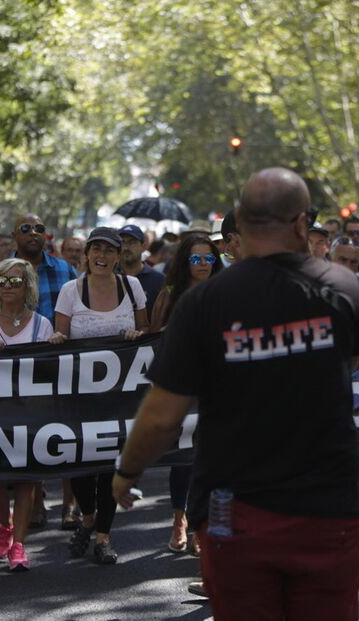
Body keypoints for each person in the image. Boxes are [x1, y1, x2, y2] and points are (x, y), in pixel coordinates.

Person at [114, 167, 359, 620]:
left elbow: (161, 416)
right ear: (302, 224)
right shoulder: (341, 288)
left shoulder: (203, 303)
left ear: (239, 220)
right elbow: (350, 363)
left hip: (234, 511)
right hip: (328, 506)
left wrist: (126, 473)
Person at [51, 227, 148, 564]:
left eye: (109, 250)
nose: (102, 256)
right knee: (79, 461)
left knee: (111, 463)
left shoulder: (132, 287)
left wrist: (138, 333)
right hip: (80, 395)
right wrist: (58, 339)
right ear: (87, 254)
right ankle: (88, 516)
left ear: (118, 256)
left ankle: (103, 536)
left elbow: (146, 332)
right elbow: (59, 337)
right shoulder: (70, 290)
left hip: (119, 396)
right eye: (96, 249)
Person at [0, 258, 55, 571]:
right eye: (1, 281)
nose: (7, 287)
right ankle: (5, 523)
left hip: (30, 413)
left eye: (15, 281)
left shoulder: (42, 325)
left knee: (27, 479)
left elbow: (50, 369)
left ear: (27, 286)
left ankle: (18, 545)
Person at [148, 234, 222, 555]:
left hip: (218, 388)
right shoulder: (170, 293)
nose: (203, 264)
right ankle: (179, 518)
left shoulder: (225, 291)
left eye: (208, 258)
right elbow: (152, 340)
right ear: (185, 262)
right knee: (183, 458)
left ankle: (201, 525)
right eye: (196, 258)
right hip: (181, 388)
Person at [118, 224, 165, 318]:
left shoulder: (159, 280)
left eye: (132, 242)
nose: (126, 247)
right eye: (122, 242)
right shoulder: (108, 276)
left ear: (143, 247)